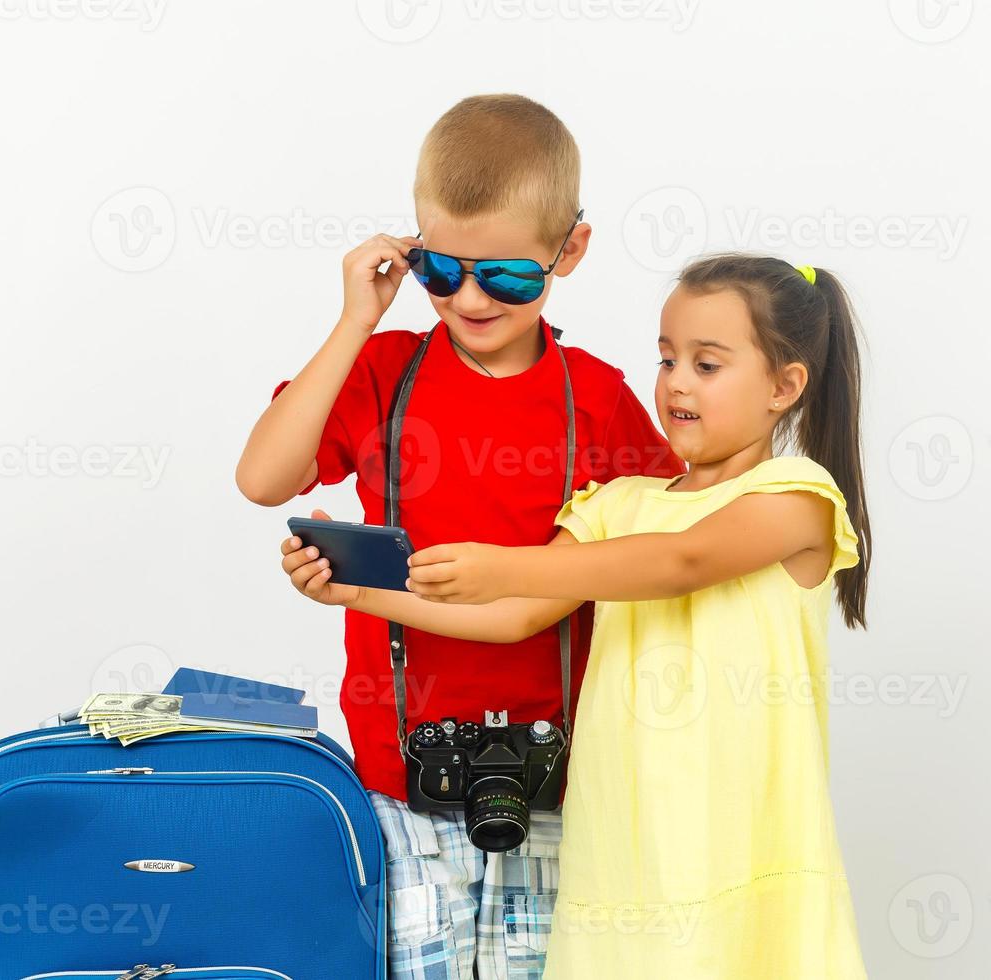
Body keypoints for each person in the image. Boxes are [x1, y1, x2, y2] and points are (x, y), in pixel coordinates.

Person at [282, 253, 872, 978]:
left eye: (707, 364)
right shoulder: (618, 502)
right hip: (623, 851)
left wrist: (503, 563)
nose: (677, 381)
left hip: (744, 842)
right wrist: (358, 593)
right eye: (666, 359)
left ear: (784, 386)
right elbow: (515, 616)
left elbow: (677, 562)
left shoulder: (797, 498)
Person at [238, 94, 684, 980]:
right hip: (398, 782)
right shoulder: (382, 370)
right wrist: (356, 319)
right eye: (442, 269)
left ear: (570, 252)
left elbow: (629, 566)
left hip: (562, 780)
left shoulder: (596, 398)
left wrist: (358, 590)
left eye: (508, 277)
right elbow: (263, 479)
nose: (471, 298)